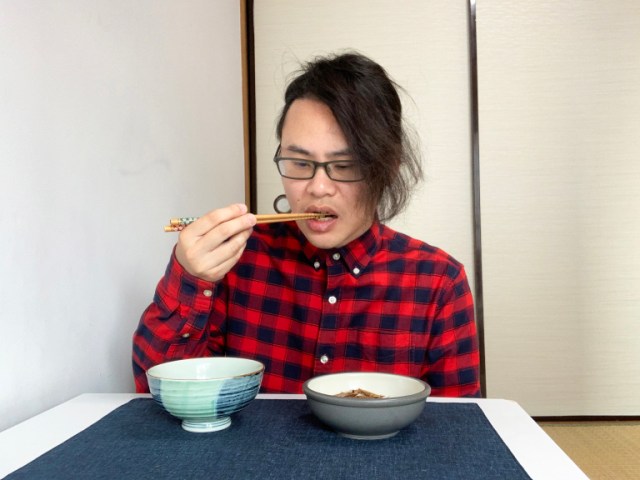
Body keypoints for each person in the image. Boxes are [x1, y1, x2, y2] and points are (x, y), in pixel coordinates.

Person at [132, 52, 480, 397]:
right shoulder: (236, 259)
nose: (318, 187)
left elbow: (458, 424)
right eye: (299, 163)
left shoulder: (439, 282)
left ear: (386, 168)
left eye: (345, 166)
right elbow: (158, 392)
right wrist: (190, 278)